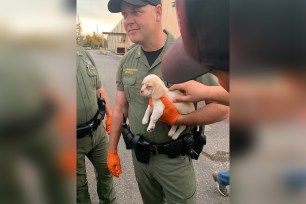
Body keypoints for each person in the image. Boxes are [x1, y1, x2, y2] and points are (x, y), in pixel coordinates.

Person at [106, 0, 228, 203]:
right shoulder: (126, 61)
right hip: (140, 159)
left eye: (136, 11)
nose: (128, 21)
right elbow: (119, 109)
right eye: (125, 14)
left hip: (174, 161)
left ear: (158, 11)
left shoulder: (188, 55)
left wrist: (179, 119)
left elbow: (222, 108)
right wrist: (112, 151)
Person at [76, 46, 116, 204]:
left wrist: (110, 114)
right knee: (77, 189)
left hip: (97, 133)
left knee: (107, 172)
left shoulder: (82, 53)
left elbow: (98, 88)